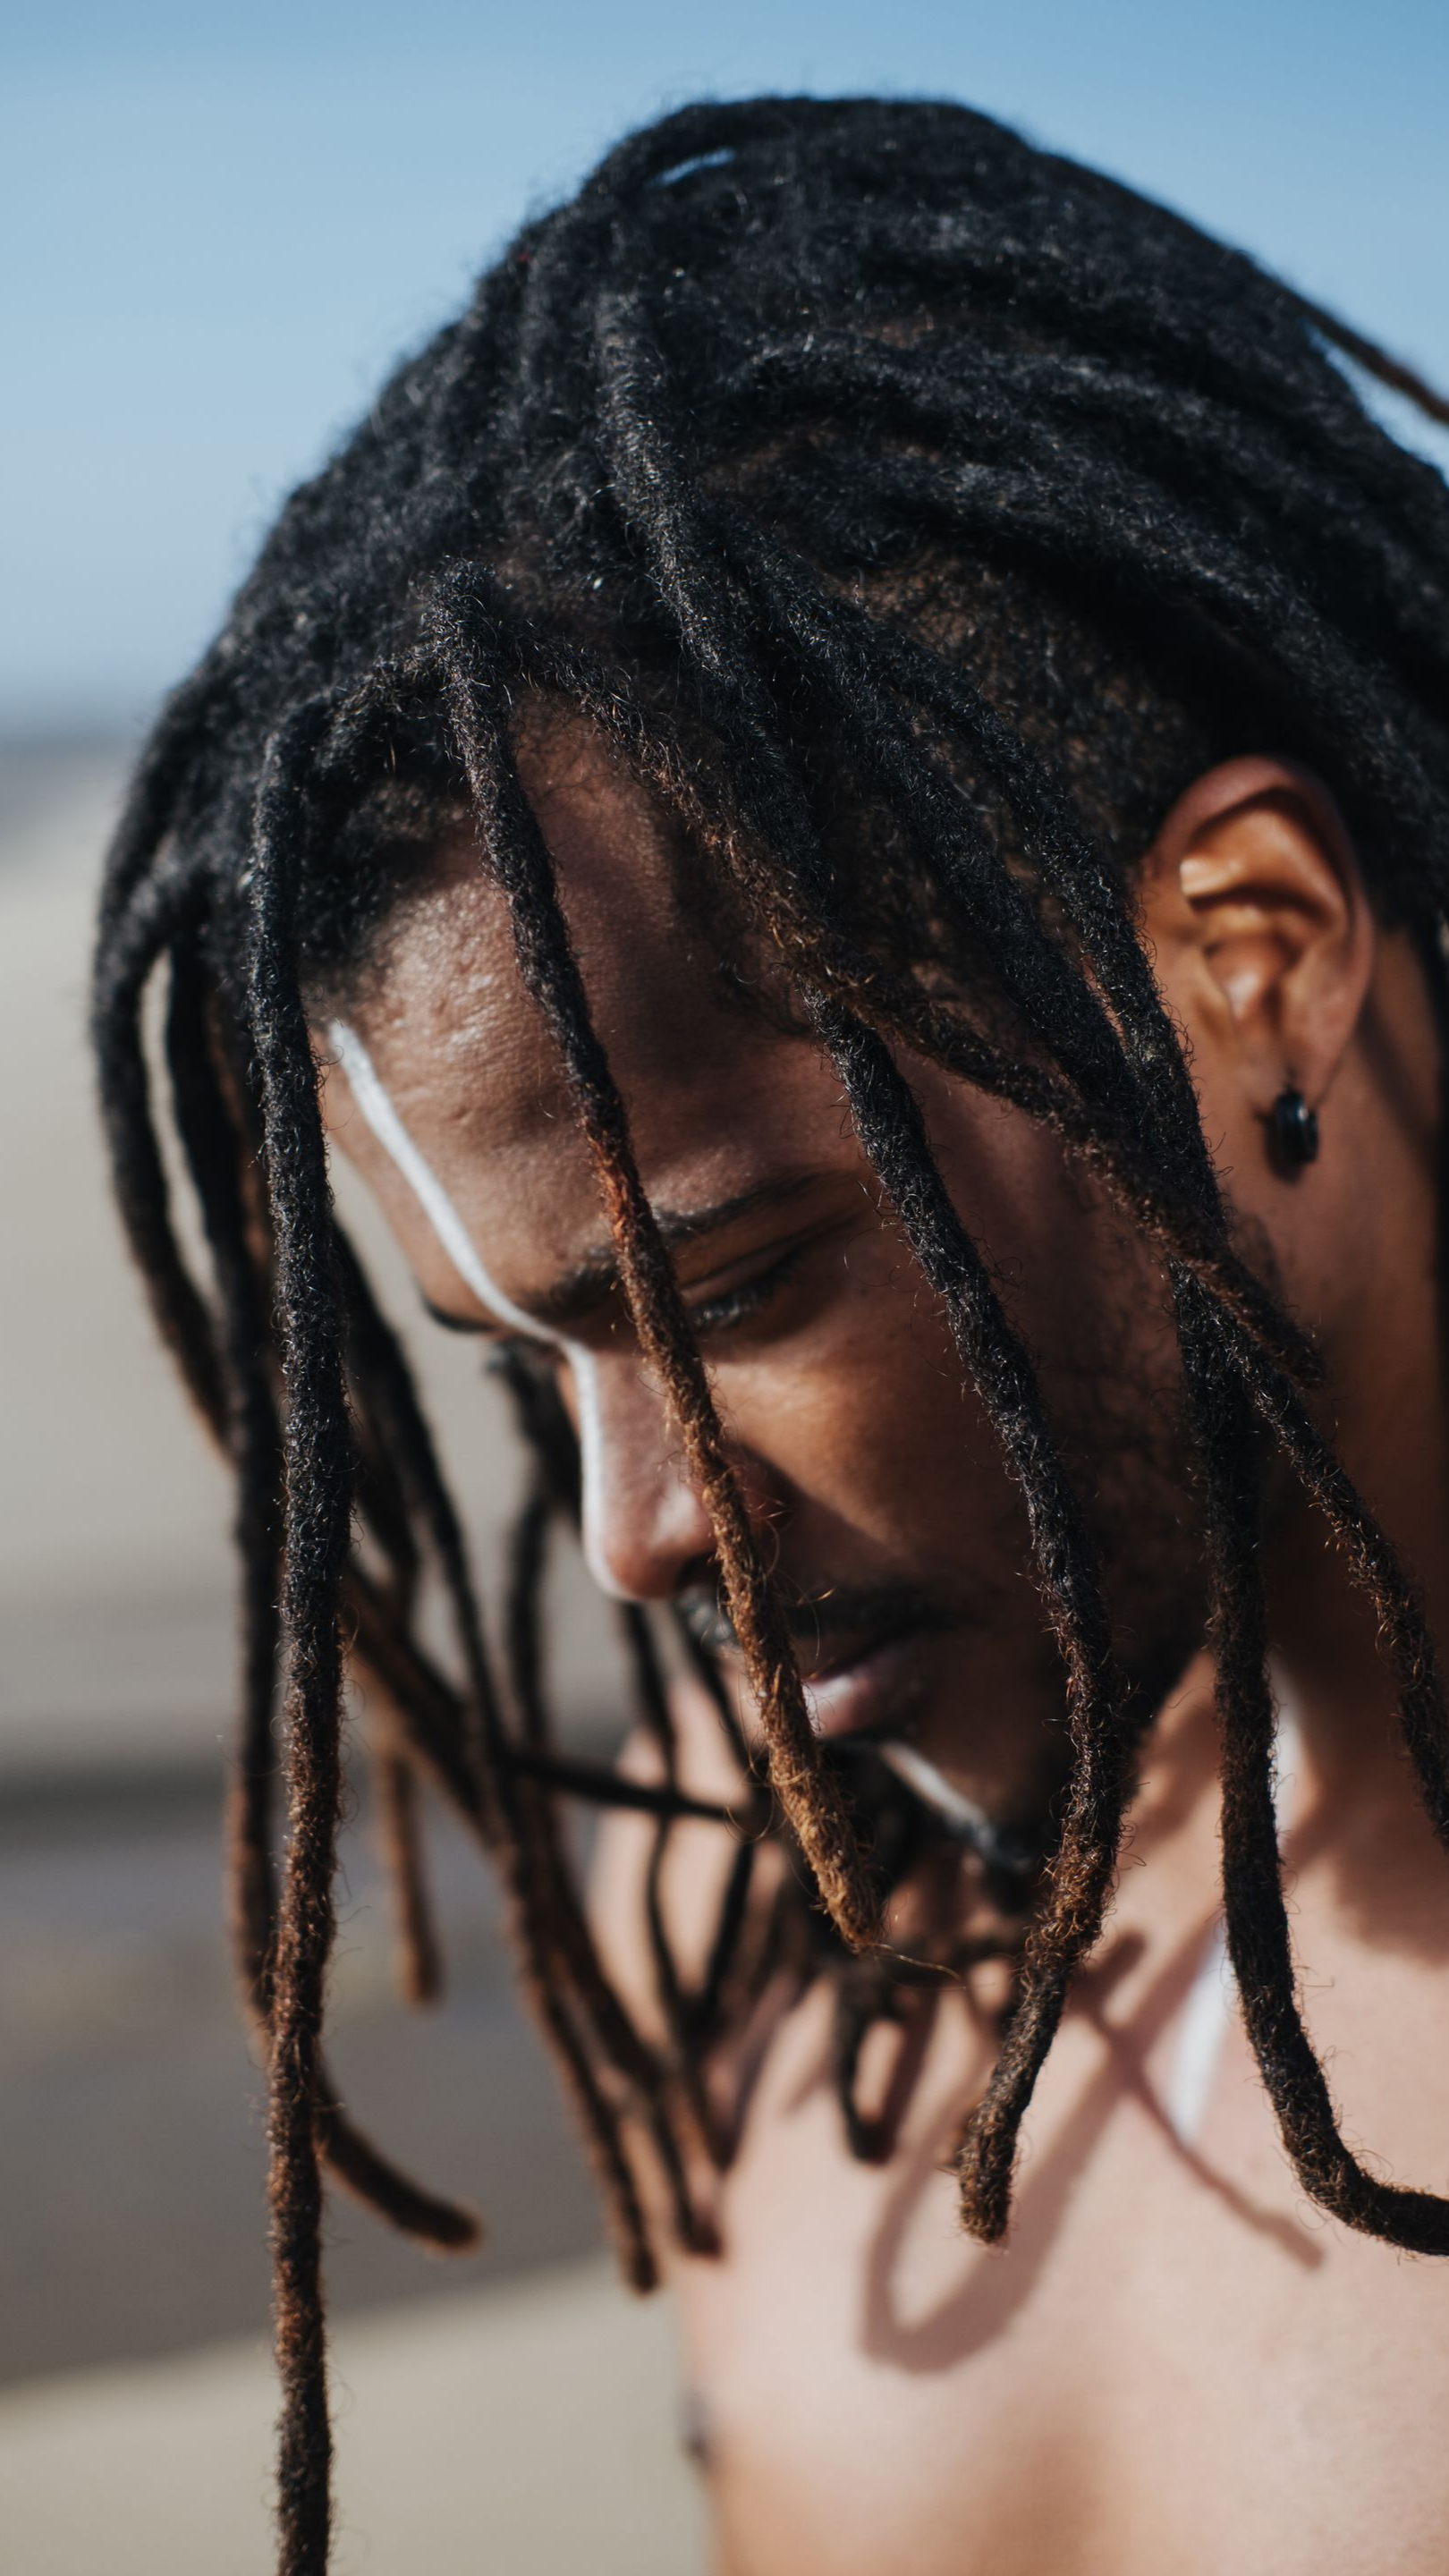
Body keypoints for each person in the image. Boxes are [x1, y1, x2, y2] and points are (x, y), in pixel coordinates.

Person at [93, 93, 1449, 2576]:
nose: (624, 1538)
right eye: (533, 1365)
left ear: (1245, 950)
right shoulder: (774, 1939)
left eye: (727, 1288)